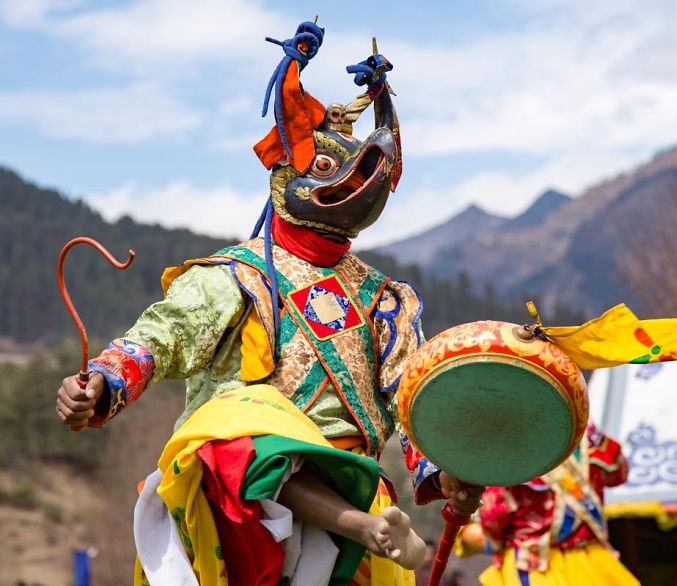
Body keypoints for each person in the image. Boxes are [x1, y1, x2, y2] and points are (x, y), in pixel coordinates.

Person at [55, 19, 481, 586]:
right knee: (239, 427)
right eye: (329, 167)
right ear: (287, 175)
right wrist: (102, 382)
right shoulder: (237, 276)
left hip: (354, 483)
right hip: (245, 511)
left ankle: (360, 521)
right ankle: (352, 520)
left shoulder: (386, 300)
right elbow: (159, 338)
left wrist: (445, 467)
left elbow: (412, 395)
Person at [457, 423, 640, 585]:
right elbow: (619, 473)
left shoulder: (510, 448)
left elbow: (494, 515)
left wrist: (482, 539)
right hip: (595, 563)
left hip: (535, 567)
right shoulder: (591, 437)